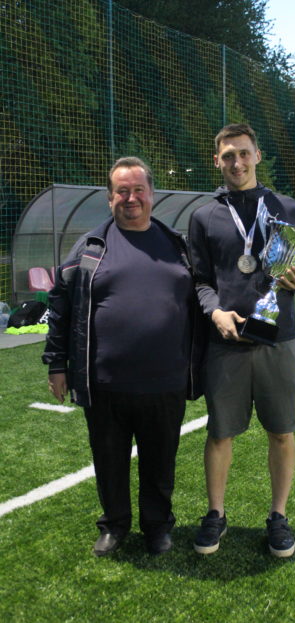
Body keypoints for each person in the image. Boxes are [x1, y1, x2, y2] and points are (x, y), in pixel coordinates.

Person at [43, 157, 203, 557]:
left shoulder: (178, 246)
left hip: (166, 380)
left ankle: (157, 527)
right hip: (104, 383)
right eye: (122, 191)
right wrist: (58, 364)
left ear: (152, 195)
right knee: (109, 460)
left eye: (138, 190)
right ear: (110, 197)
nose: (131, 198)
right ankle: (114, 525)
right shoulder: (90, 247)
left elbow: (202, 298)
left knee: (160, 463)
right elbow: (60, 306)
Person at [188, 123, 295, 558]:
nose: (236, 162)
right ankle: (216, 514)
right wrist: (215, 312)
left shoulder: (287, 208)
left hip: (279, 341)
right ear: (216, 161)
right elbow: (199, 280)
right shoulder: (204, 216)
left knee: (281, 432)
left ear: (257, 155)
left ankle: (278, 516)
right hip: (226, 343)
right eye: (228, 156)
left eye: (243, 153)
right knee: (220, 433)